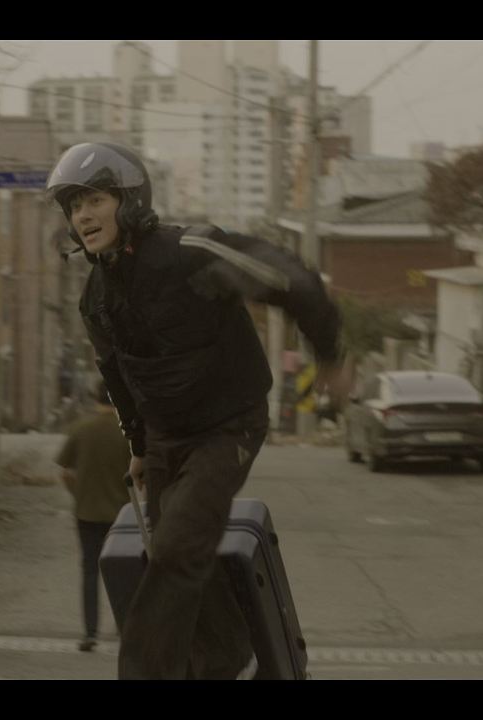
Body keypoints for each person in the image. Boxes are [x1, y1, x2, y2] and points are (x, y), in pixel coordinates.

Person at [45, 141, 353, 680]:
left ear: (129, 200)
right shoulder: (96, 298)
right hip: (167, 436)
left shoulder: (190, 252)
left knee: (175, 550)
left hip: (228, 424)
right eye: (74, 206)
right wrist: (139, 444)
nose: (83, 216)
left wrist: (329, 355)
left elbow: (288, 277)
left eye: (95, 200)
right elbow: (118, 376)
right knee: (179, 556)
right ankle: (228, 660)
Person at [56, 380, 132, 652]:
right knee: (122, 570)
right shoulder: (127, 433)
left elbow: (66, 471)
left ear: (95, 397)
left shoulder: (81, 428)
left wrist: (78, 493)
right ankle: (125, 628)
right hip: (121, 515)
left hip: (86, 512)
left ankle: (90, 633)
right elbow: (141, 473)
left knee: (90, 570)